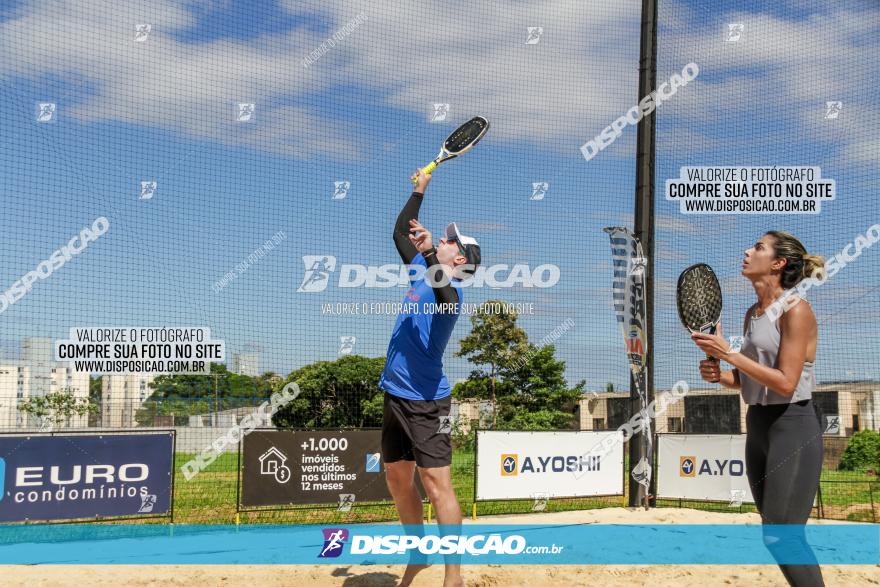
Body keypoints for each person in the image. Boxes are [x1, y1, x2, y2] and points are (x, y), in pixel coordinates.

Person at [692, 230, 826, 587]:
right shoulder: (753, 313)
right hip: (759, 426)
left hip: (793, 426)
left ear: (778, 263)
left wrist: (729, 353)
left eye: (759, 247)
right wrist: (721, 374)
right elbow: (749, 379)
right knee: (775, 537)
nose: (747, 251)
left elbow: (785, 381)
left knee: (783, 537)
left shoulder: (797, 310)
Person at [379, 169, 481, 587]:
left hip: (427, 402)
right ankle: (418, 555)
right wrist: (421, 186)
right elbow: (399, 233)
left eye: (449, 241)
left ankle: (452, 576)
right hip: (394, 394)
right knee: (398, 480)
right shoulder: (423, 273)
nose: (442, 239)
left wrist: (425, 254)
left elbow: (440, 287)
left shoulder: (452, 295)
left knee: (437, 484)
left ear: (459, 260)